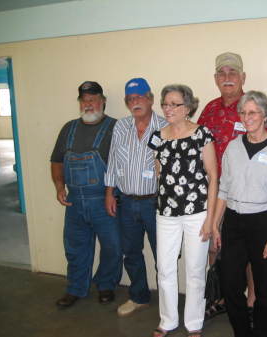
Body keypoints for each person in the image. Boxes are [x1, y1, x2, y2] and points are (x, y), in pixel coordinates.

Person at [198, 51, 267, 320]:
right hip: (216, 194)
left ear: (243, 77)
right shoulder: (209, 109)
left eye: (233, 73)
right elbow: (196, 146)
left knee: (250, 257)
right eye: (222, 73)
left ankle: (253, 301)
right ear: (215, 79)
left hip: (251, 198)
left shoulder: (253, 107)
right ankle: (221, 296)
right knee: (216, 248)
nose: (227, 78)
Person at [212, 91, 267, 337]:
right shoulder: (233, 147)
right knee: (230, 284)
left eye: (253, 112)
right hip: (234, 223)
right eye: (244, 113)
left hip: (264, 223)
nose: (247, 118)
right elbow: (223, 188)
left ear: (265, 115)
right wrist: (216, 224)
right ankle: (241, 332)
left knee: (264, 288)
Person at [148, 84, 218, 337]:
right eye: (165, 103)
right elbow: (158, 171)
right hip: (166, 213)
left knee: (196, 270)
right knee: (165, 268)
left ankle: (194, 323)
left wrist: (210, 219)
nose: (168, 108)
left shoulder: (202, 134)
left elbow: (213, 176)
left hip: (197, 212)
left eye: (174, 104)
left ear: (187, 107)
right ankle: (167, 320)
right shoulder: (157, 136)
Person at [51, 81, 121, 308]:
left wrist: (111, 193)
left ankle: (106, 285)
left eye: (93, 99)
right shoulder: (68, 128)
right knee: (75, 246)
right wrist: (59, 187)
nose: (88, 104)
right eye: (84, 100)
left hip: (104, 198)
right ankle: (75, 288)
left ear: (103, 101)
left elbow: (122, 165)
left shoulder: (116, 127)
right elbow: (56, 161)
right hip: (74, 201)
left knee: (112, 246)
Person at [105, 78, 167, 316]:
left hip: (155, 203)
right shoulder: (120, 127)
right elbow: (112, 161)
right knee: (130, 252)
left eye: (140, 97)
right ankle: (139, 296)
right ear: (126, 103)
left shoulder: (164, 127)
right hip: (126, 201)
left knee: (163, 255)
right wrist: (109, 193)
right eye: (131, 99)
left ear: (150, 99)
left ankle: (167, 301)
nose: (135, 102)